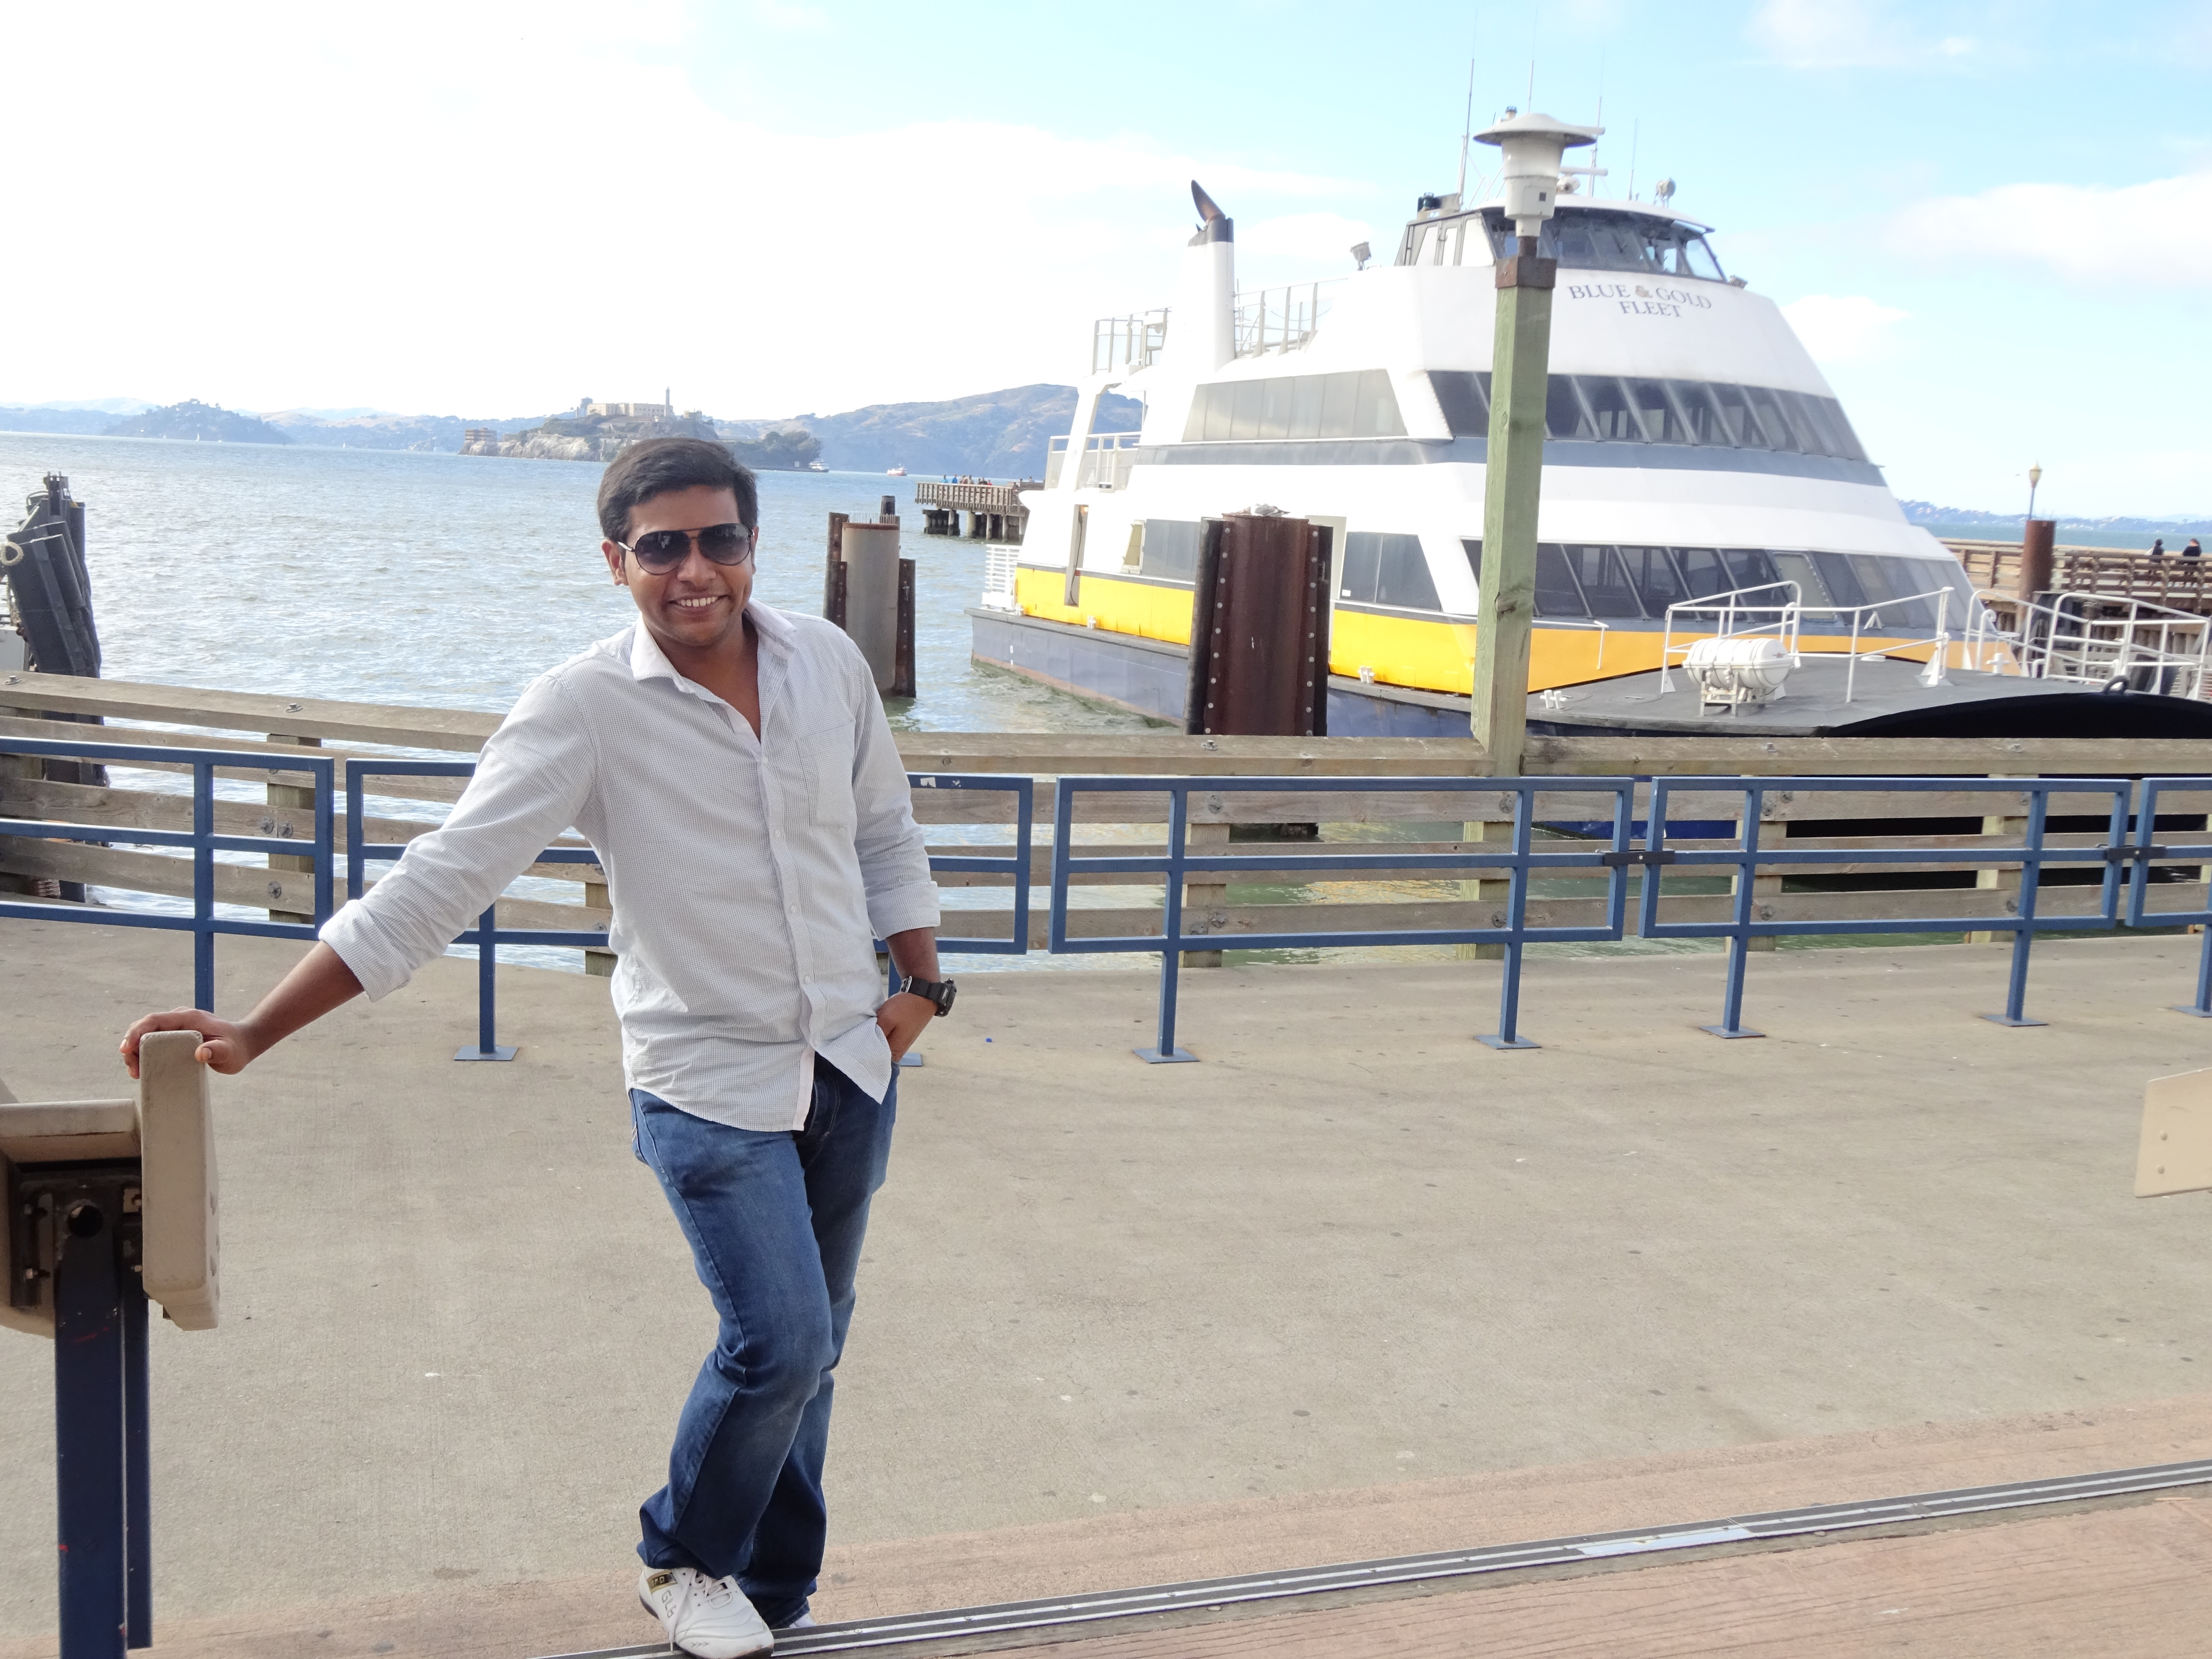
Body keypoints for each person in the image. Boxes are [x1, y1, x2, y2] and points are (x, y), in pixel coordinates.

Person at [120, 437, 950, 1659]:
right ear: (616, 561)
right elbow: (441, 880)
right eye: (662, 547)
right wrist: (255, 1027)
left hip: (850, 1063)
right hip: (707, 1078)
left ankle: (775, 1589)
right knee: (779, 1342)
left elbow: (885, 829)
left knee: (815, 1351)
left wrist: (922, 982)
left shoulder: (825, 661)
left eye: (719, 539)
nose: (696, 571)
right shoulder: (583, 708)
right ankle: (685, 1558)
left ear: (752, 543)